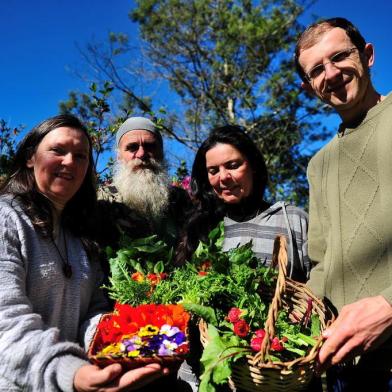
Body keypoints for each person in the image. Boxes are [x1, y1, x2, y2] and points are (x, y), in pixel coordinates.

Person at [0, 114, 168, 391]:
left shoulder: (80, 235)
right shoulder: (7, 218)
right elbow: (5, 323)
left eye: (81, 156)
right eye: (58, 150)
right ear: (31, 158)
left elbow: (93, 312)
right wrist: (71, 373)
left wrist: (123, 342)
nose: (70, 162)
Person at [175, 124, 312, 391]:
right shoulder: (200, 230)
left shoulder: (291, 219)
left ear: (253, 166)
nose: (223, 177)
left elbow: (316, 286)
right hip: (214, 374)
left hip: (280, 371)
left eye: (233, 165)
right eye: (213, 171)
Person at [295, 17, 392, 390]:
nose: (331, 73)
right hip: (344, 370)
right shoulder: (319, 164)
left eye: (339, 57)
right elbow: (320, 263)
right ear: (309, 87)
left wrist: (389, 305)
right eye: (317, 69)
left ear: (367, 55)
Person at [95, 116, 191, 251]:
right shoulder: (103, 199)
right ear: (119, 156)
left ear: (162, 152)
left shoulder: (180, 199)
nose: (142, 153)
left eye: (150, 146)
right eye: (132, 147)